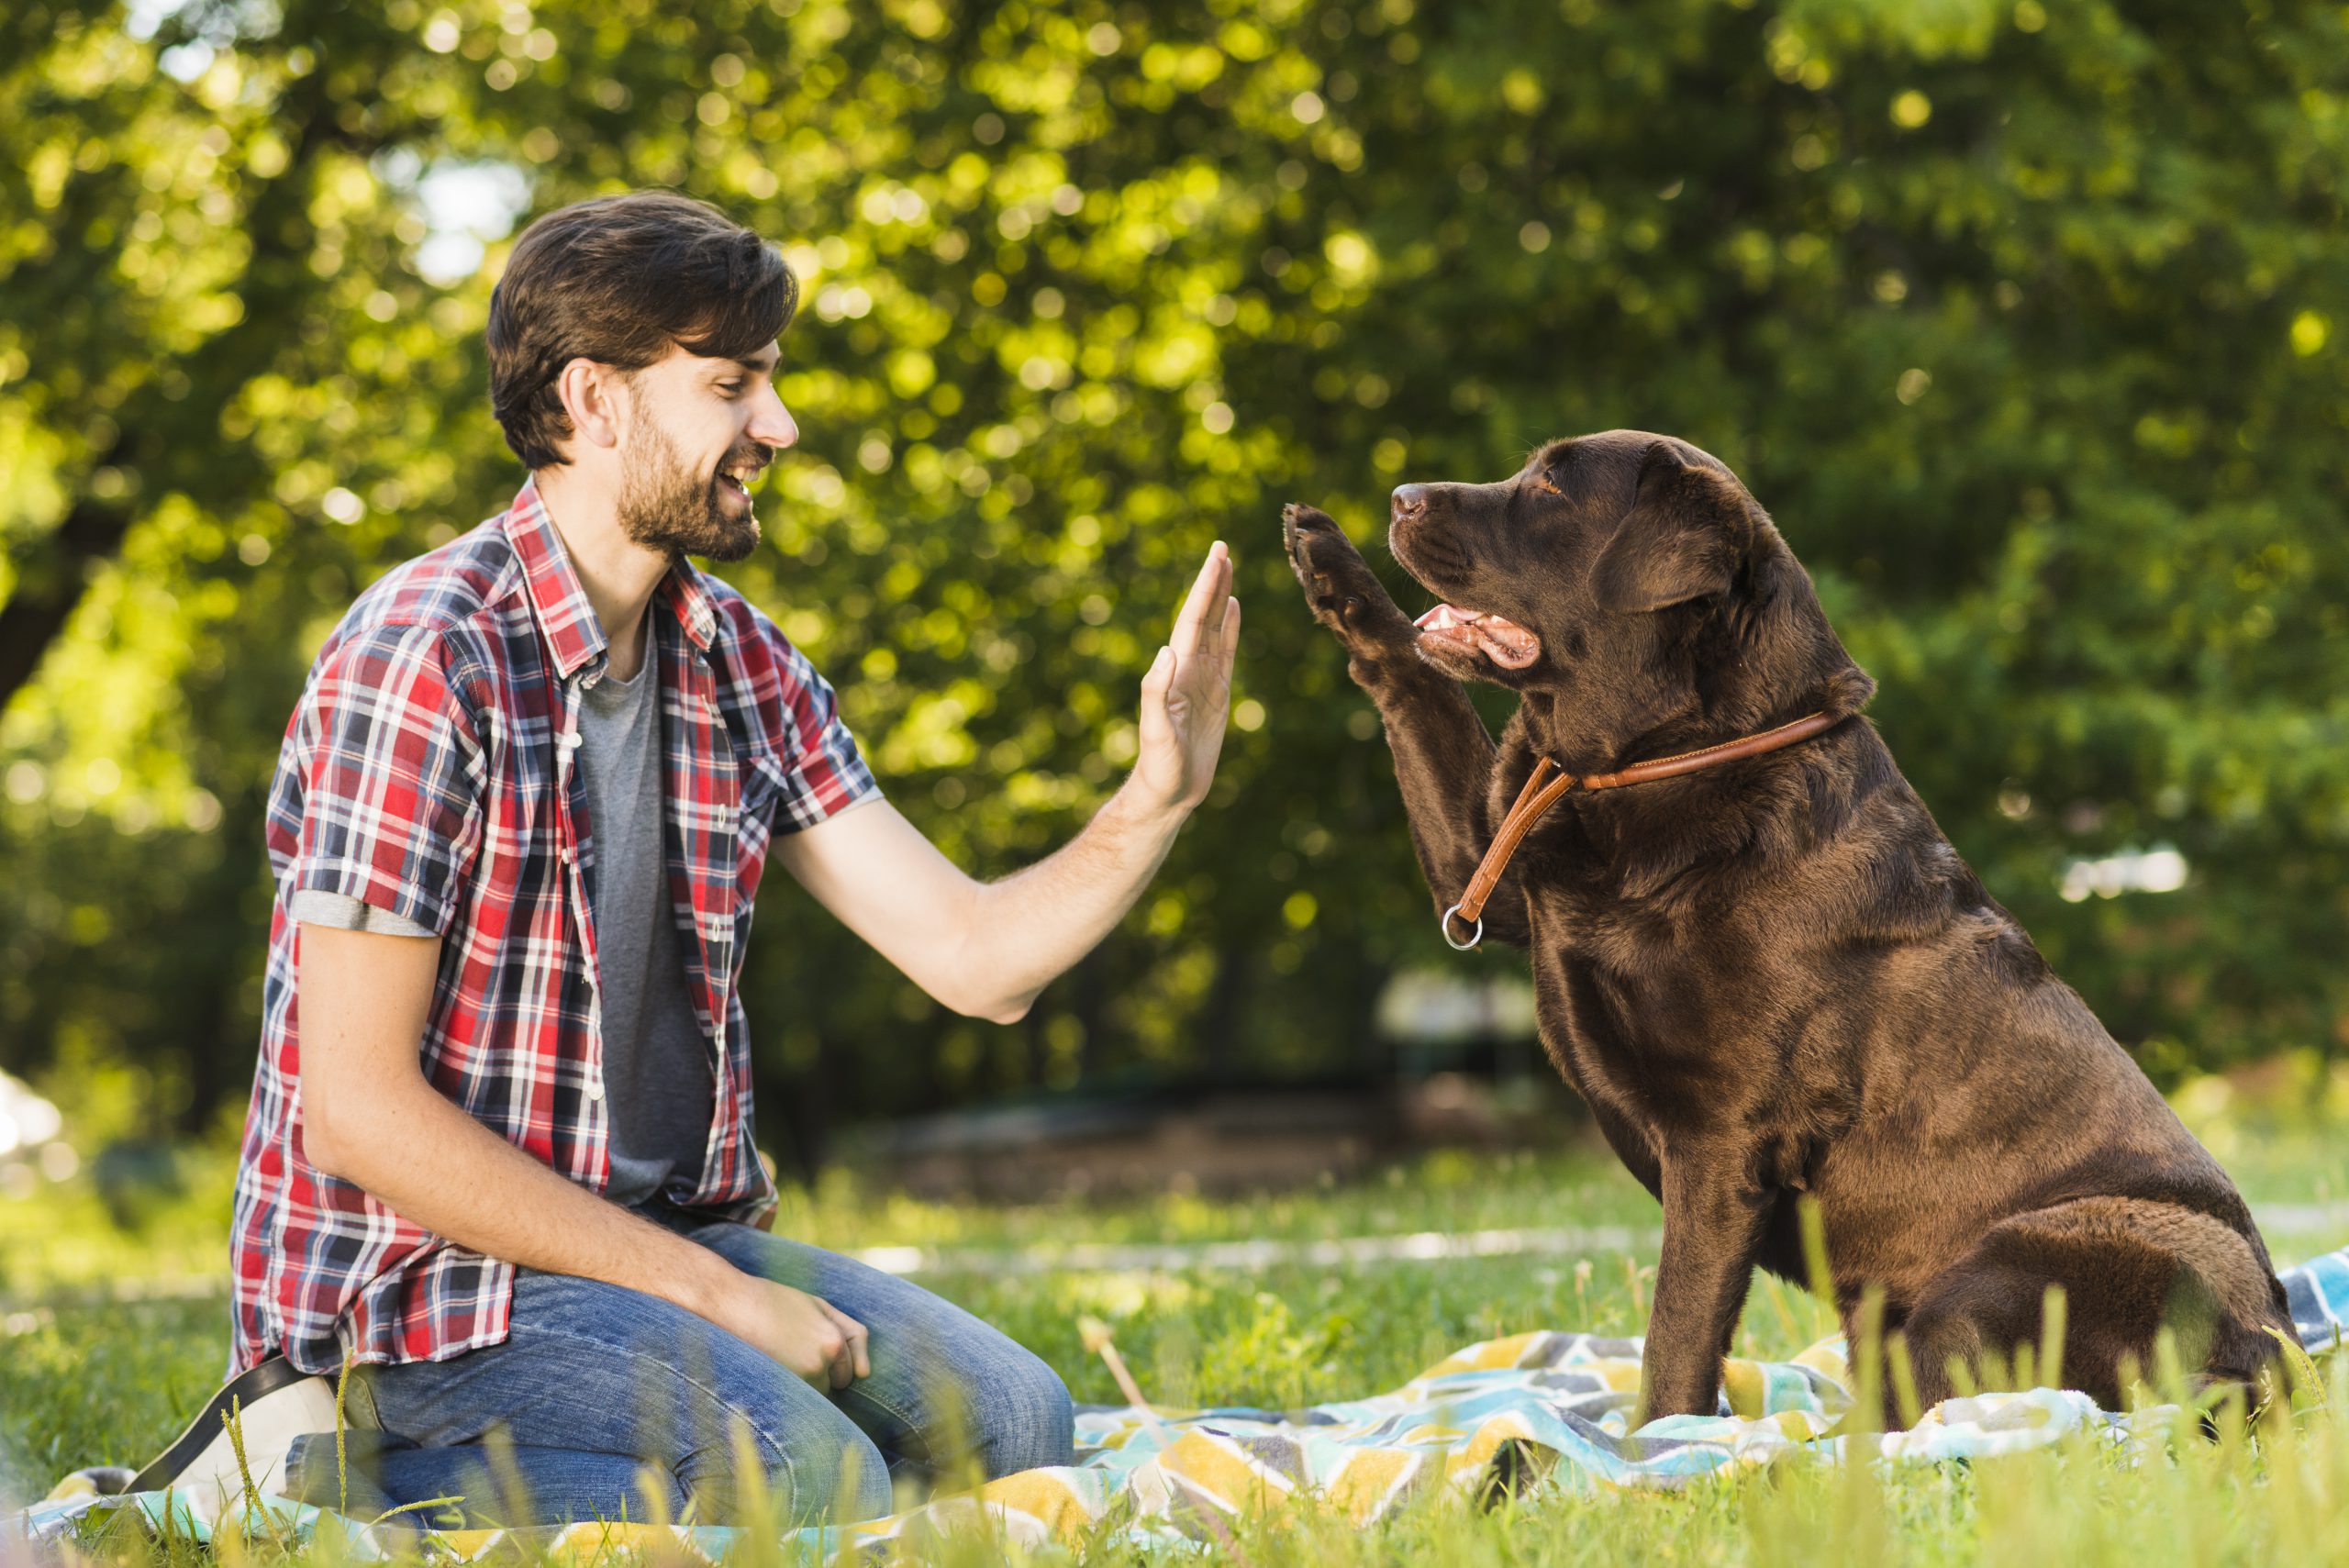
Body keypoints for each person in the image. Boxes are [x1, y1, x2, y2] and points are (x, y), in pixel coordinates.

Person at [227, 190, 1241, 1527]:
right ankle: (317, 1472)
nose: (780, 424)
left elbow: (979, 961)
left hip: (654, 1249)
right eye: (731, 384)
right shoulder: (425, 655)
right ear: (595, 402)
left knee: (1017, 1419)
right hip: (429, 1289)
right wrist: (719, 1295)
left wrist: (1155, 797)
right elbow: (355, 1110)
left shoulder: (740, 664)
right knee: (811, 1473)